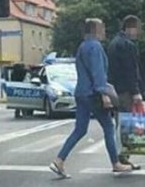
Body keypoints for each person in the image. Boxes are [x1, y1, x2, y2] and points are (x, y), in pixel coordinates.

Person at [49, 18, 132, 178]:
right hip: (93, 94)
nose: (104, 32)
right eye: (102, 28)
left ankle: (59, 160)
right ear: (95, 30)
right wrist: (104, 95)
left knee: (80, 129)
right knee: (108, 126)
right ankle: (116, 163)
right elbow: (97, 73)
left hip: (80, 92)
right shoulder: (95, 47)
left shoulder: (83, 46)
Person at [108, 14, 145, 169]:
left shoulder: (113, 43)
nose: (138, 32)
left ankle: (120, 159)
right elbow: (130, 70)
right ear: (130, 28)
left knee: (120, 123)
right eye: (137, 29)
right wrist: (136, 91)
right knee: (126, 125)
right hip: (125, 91)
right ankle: (121, 159)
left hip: (115, 90)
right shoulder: (127, 45)